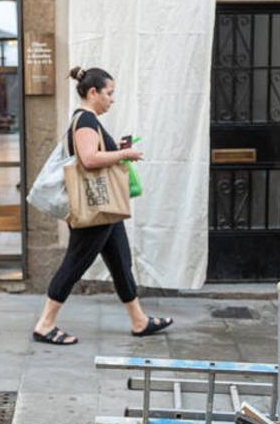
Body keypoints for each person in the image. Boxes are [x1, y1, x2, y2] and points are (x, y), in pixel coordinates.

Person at [31, 66, 173, 345]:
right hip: (94, 209)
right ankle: (45, 324)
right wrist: (125, 153)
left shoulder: (89, 120)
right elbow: (88, 159)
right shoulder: (85, 120)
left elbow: (95, 155)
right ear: (93, 92)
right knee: (74, 264)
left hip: (104, 208)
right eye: (109, 93)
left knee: (121, 262)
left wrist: (116, 150)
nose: (112, 99)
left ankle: (139, 320)